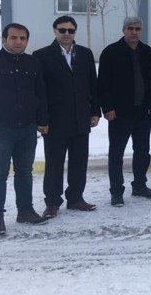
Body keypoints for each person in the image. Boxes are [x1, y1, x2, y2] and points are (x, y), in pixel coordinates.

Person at [34, 16, 101, 217]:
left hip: (80, 118)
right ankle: (52, 202)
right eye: (62, 30)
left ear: (75, 32)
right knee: (54, 163)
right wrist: (42, 119)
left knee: (79, 161)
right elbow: (39, 91)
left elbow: (93, 84)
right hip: (55, 120)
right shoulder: (41, 55)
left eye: (70, 30)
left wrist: (94, 111)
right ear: (54, 31)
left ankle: (76, 198)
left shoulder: (85, 54)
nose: (66, 34)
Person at [0, 24, 49, 236]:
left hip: (27, 128)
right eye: (13, 37)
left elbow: (40, 93)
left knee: (25, 171)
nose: (18, 42)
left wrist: (42, 120)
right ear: (4, 39)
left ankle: (25, 211)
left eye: (22, 38)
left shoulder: (33, 63)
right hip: (0, 129)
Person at [98, 17, 151, 207]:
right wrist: (107, 108)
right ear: (123, 30)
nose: (134, 32)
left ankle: (139, 185)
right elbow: (103, 83)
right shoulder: (111, 52)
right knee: (116, 154)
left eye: (137, 28)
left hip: (142, 111)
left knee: (142, 152)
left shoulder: (147, 52)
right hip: (119, 113)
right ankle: (116, 191)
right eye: (130, 28)